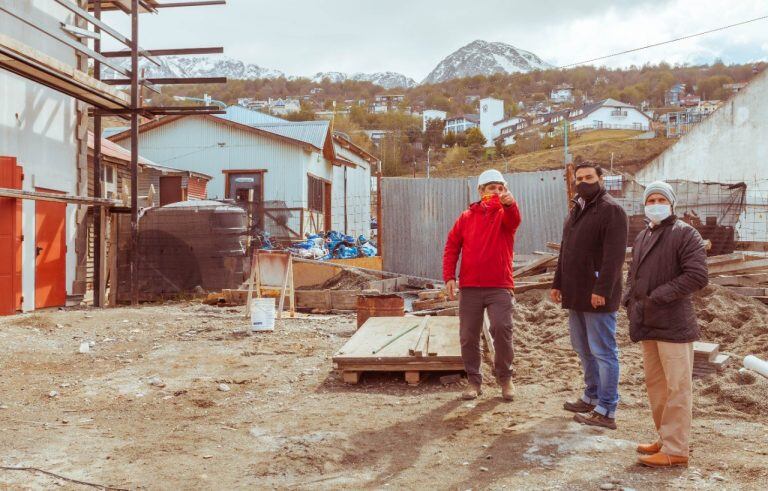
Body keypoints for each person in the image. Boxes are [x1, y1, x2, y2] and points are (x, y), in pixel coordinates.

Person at [623, 181, 708, 467]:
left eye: (661, 199)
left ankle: (676, 449)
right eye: (651, 199)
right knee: (657, 386)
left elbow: (697, 276)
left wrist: (657, 297)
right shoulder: (644, 235)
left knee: (677, 388)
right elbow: (633, 273)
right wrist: (629, 300)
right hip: (648, 321)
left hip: (674, 323)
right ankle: (666, 437)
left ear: (672, 204)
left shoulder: (686, 234)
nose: (655, 203)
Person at [551, 162, 628, 430]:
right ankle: (592, 395)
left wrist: (602, 290)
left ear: (601, 178)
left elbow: (614, 257)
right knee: (583, 349)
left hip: (597, 295)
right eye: (579, 178)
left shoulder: (612, 211)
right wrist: (557, 282)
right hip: (575, 292)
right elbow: (565, 250)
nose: (583, 182)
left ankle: (606, 408)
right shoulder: (577, 210)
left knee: (603, 352)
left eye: (589, 177)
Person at [443, 169, 522, 401]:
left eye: (500, 188)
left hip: (499, 286)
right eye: (491, 188)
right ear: (481, 191)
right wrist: (449, 277)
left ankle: (505, 379)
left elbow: (515, 219)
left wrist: (510, 204)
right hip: (470, 288)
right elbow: (451, 246)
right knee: (468, 335)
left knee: (501, 329)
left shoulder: (505, 214)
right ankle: (474, 381)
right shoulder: (466, 217)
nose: (496, 192)